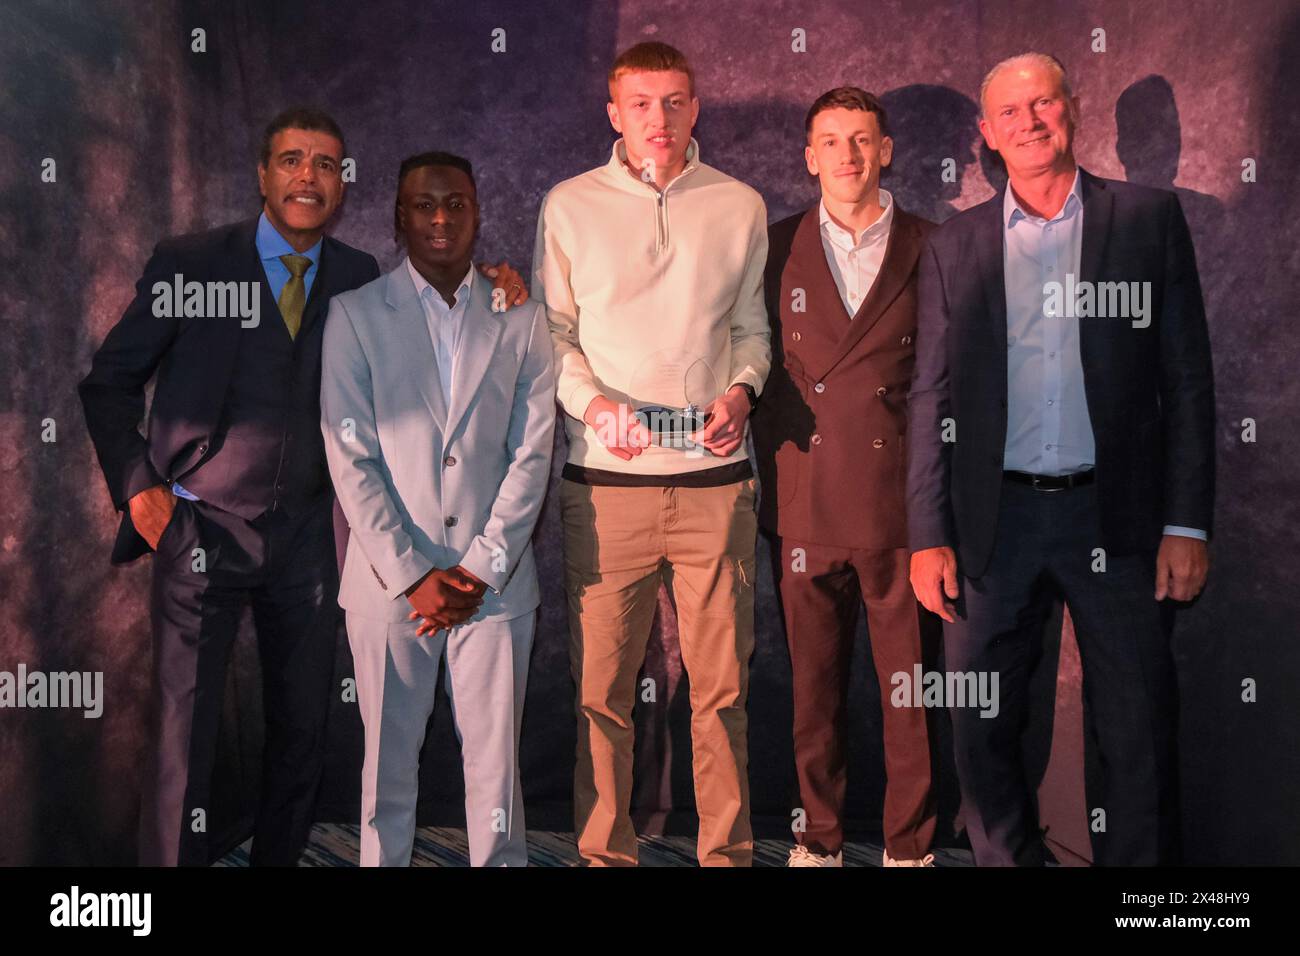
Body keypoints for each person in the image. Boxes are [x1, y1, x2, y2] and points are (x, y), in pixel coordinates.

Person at [78, 108, 528, 866]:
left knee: (302, 732)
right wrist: (140, 491)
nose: (307, 177)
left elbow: (430, 295)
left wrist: (491, 280)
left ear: (342, 185)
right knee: (185, 737)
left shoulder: (357, 278)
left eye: (324, 163)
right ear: (263, 175)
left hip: (311, 543)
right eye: (291, 160)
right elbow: (108, 383)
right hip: (198, 531)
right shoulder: (192, 265)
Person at [907, 54, 1215, 865]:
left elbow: (1187, 384)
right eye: (1010, 111)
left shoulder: (1149, 220)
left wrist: (1186, 522)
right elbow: (929, 399)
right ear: (986, 135)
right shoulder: (955, 244)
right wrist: (925, 533)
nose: (1030, 120)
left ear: (1072, 111)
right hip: (990, 522)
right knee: (979, 727)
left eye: (1043, 102)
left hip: (1116, 517)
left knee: (1138, 726)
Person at [533, 41, 770, 866]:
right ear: (614, 113)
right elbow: (551, 335)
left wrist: (741, 392)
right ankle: (605, 855)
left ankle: (727, 856)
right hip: (604, 489)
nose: (658, 119)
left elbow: (752, 330)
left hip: (715, 486)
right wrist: (596, 407)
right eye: (641, 103)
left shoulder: (739, 204)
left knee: (723, 695)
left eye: (674, 101)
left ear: (695, 108)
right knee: (600, 696)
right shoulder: (567, 205)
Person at [321, 151, 554, 867]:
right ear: (400, 217)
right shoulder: (354, 316)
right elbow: (349, 454)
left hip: (496, 585)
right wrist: (414, 573)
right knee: (386, 777)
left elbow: (535, 449)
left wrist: (481, 566)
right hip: (391, 588)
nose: (442, 218)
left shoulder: (521, 317)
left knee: (495, 776)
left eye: (456, 203)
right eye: (425, 205)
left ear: (478, 212)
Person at [752, 87, 937, 868]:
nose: (849, 156)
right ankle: (818, 840)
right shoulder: (773, 245)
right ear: (809, 156)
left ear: (887, 149)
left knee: (911, 697)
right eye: (831, 141)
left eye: (862, 140)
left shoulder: (935, 244)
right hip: (804, 500)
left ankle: (910, 847)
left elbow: (952, 378)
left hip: (901, 506)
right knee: (813, 691)